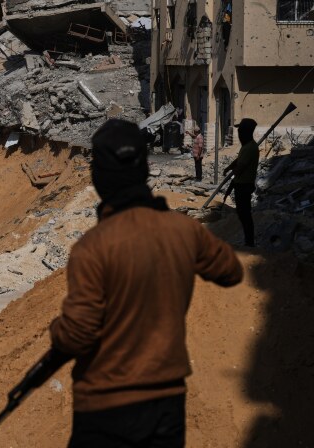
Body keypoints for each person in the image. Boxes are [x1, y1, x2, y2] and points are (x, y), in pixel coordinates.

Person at [49, 119, 243, 448]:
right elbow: (230, 271)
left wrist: (57, 329)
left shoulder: (93, 247)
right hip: (166, 401)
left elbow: (78, 335)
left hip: (106, 402)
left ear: (102, 177)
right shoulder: (184, 230)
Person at [224, 118, 259, 247]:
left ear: (246, 132)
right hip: (240, 184)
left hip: (244, 185)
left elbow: (240, 167)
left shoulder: (250, 147)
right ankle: (248, 240)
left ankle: (249, 242)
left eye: (240, 131)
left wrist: (233, 174)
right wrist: (228, 168)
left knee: (245, 215)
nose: (238, 134)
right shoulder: (246, 147)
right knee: (242, 213)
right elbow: (238, 161)